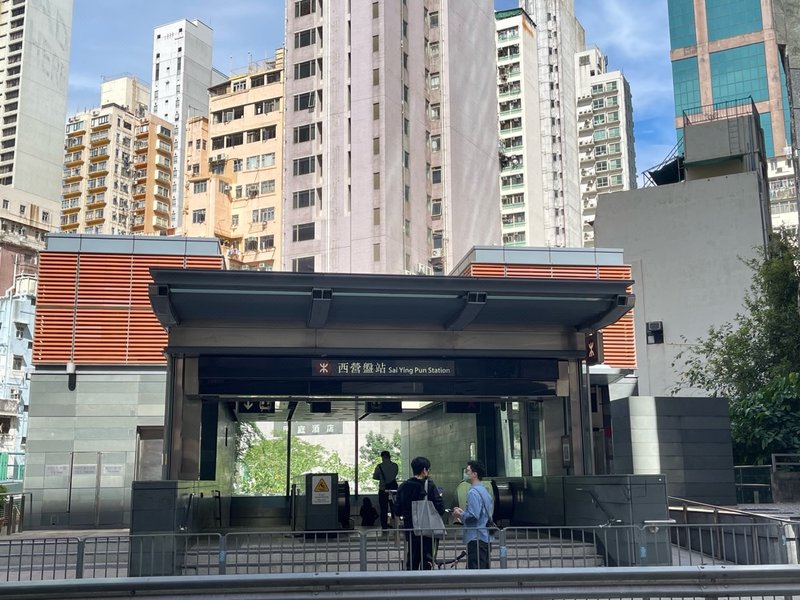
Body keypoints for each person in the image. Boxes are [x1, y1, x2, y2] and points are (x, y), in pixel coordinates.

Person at [395, 456, 445, 570]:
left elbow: (397, 510)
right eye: (428, 469)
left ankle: (411, 579)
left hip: (410, 529)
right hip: (427, 530)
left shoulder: (403, 486)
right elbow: (440, 508)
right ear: (424, 470)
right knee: (427, 560)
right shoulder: (429, 486)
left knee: (412, 558)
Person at [452, 460, 493, 569]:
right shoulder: (484, 491)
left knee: (475, 570)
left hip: (476, 537)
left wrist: (459, 515)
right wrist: (463, 512)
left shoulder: (473, 492)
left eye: (468, 471)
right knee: (483, 569)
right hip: (485, 536)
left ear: (475, 474)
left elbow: (473, 515)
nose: (466, 473)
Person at [372, 450, 399, 529]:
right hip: (393, 489)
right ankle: (395, 524)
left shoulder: (379, 466)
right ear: (389, 456)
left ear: (382, 457)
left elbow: (375, 477)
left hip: (383, 489)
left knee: (383, 509)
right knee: (394, 507)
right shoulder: (395, 466)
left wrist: (381, 478)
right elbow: (394, 475)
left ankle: (384, 525)